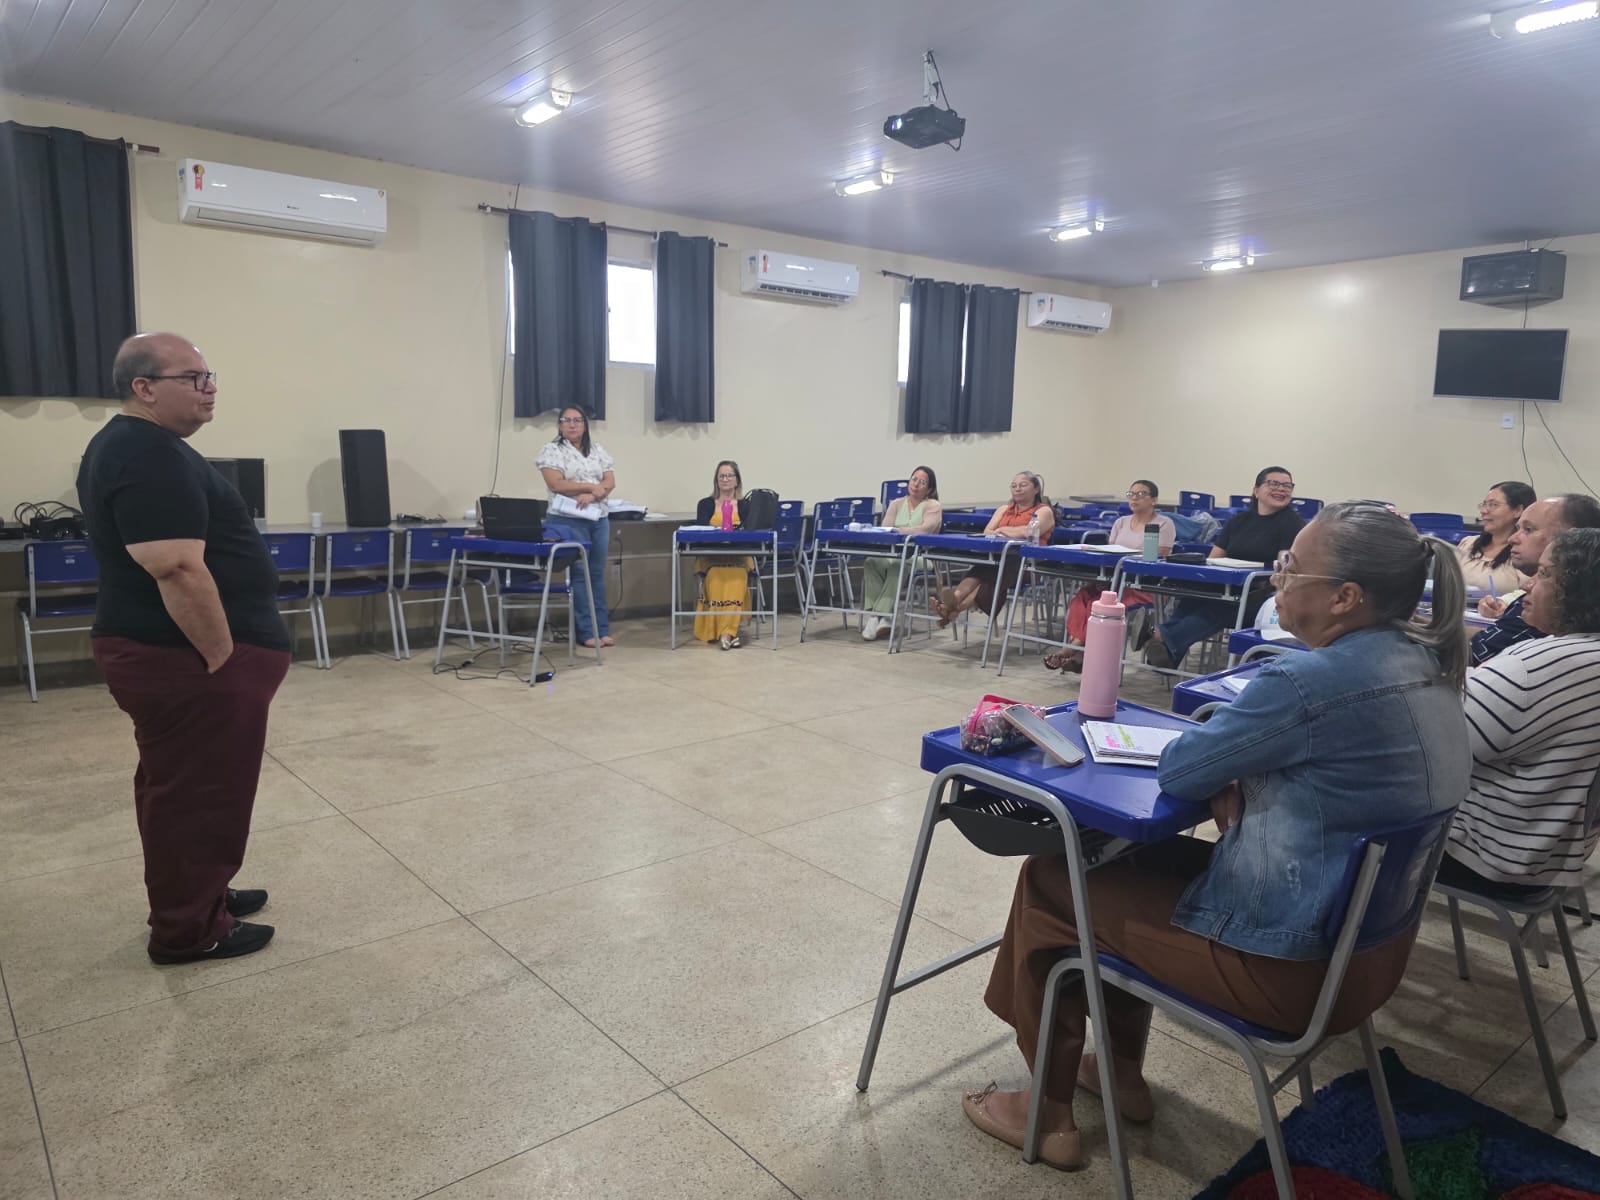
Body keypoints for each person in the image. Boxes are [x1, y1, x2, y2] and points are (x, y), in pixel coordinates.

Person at [965, 503, 1470, 1169]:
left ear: (1345, 597)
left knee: (1052, 881)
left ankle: (1047, 1115)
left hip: (1285, 972)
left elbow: (1182, 768)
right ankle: (1119, 1075)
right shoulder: (1428, 666)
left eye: (1292, 568)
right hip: (1366, 960)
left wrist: (1233, 768)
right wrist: (1246, 770)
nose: (1278, 578)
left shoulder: (1306, 681)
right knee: (1122, 866)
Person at [76, 333, 291, 965]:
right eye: (193, 378)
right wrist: (223, 659)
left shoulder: (143, 445)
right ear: (144, 388)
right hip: (187, 659)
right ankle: (189, 929)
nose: (210, 387)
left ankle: (200, 893)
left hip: (175, 656)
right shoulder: (146, 452)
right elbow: (175, 567)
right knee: (200, 793)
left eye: (209, 375)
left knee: (183, 784)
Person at [1442, 528, 1600, 894]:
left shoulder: (1534, 666)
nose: (1527, 585)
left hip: (1488, 854)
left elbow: (1440, 747)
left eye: (1544, 574)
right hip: (1558, 853)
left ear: (1578, 590)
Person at [1143, 466, 1304, 670]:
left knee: (1219, 608)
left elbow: (1283, 569)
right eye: (1274, 484)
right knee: (1194, 598)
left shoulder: (1292, 523)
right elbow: (1214, 559)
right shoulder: (1238, 521)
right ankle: (1165, 650)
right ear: (1256, 490)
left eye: (1287, 485)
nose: (1281, 489)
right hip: (1228, 588)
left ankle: (1156, 636)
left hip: (1260, 596)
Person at [1045, 479, 1175, 672]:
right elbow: (1109, 552)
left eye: (1141, 494)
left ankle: (1074, 650)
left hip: (1144, 584)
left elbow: (1161, 554)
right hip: (1114, 580)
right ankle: (1079, 653)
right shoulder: (1121, 522)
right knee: (1082, 597)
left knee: (1099, 604)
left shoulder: (1164, 523)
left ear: (1153, 500)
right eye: (1131, 494)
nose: (1134, 498)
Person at [1471, 493, 1600, 665]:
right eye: (1517, 529)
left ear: (1572, 538)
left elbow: (1474, 655)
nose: (1512, 539)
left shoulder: (1552, 604)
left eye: (1528, 529)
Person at [930, 472, 1053, 627]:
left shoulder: (1043, 511)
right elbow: (988, 531)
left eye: (1023, 485)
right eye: (1014, 486)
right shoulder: (1004, 509)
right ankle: (953, 602)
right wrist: (1008, 531)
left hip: (1029, 564)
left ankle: (951, 609)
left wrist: (1001, 529)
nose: (1017, 489)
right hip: (1000, 558)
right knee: (982, 568)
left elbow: (1027, 532)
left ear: (1036, 489)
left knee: (997, 573)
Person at [537, 406, 615, 647]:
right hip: (568, 519)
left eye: (577, 420)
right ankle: (586, 632)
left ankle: (602, 629)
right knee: (580, 575)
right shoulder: (552, 450)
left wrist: (593, 495)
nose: (572, 425)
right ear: (560, 425)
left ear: (584, 425)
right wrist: (590, 487)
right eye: (566, 420)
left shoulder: (597, 449)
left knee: (596, 574)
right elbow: (557, 484)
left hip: (598, 517)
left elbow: (609, 480)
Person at [860, 466, 943, 640]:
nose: (916, 484)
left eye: (922, 482)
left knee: (899, 565)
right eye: (914, 479)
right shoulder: (896, 504)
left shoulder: (933, 506)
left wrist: (899, 530)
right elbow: (885, 529)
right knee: (871, 561)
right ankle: (887, 617)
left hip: (921, 556)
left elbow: (924, 531)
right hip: (894, 553)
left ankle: (875, 617)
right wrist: (900, 531)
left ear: (929, 488)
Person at [693, 460, 752, 649]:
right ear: (716, 480)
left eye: (729, 475)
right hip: (711, 558)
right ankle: (726, 633)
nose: (725, 479)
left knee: (737, 576)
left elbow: (751, 534)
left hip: (738, 558)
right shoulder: (705, 504)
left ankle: (726, 633)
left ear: (737, 480)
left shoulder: (746, 506)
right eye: (721, 476)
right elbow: (701, 534)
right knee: (716, 576)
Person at [1455, 481, 1535, 596]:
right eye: (1484, 504)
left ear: (1518, 510)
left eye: (1493, 505)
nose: (1484, 511)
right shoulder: (1468, 543)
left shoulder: (1526, 554)